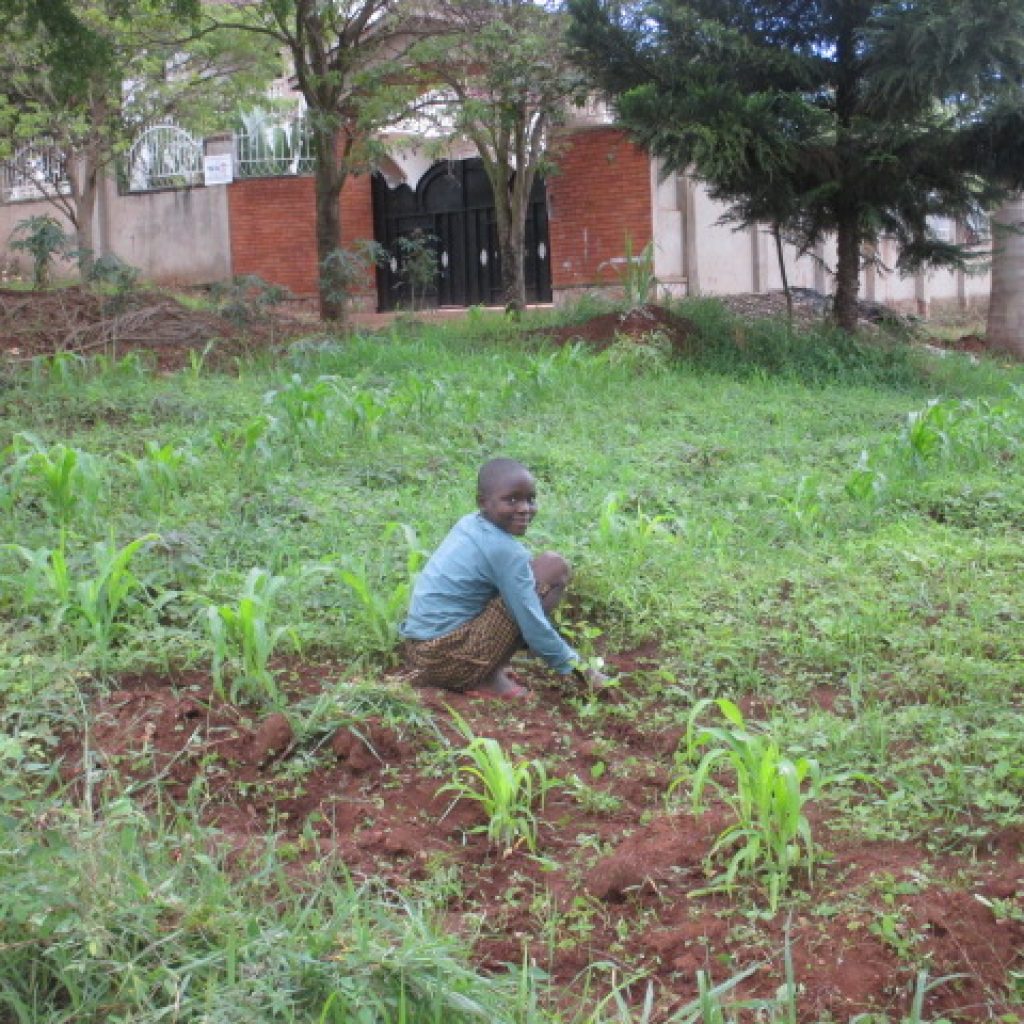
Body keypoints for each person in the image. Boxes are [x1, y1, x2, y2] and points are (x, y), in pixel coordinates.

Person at [400, 458, 605, 698]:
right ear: (483, 502)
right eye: (512, 500)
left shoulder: (470, 524)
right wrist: (584, 671)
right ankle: (486, 677)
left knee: (531, 577)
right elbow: (533, 625)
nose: (525, 509)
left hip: (419, 652)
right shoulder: (504, 550)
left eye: (530, 499)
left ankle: (489, 666)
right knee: (553, 568)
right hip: (446, 661)